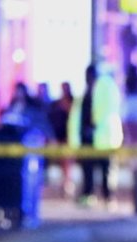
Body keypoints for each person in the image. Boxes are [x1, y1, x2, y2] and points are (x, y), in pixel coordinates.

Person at [67, 64, 123, 207]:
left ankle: (108, 197)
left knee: (106, 170)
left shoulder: (106, 91)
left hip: (104, 139)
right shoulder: (83, 96)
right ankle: (88, 195)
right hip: (87, 140)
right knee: (87, 170)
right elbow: (77, 118)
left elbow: (108, 113)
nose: (88, 79)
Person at [48, 82, 75, 196]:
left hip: (68, 137)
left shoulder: (72, 102)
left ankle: (67, 185)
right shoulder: (57, 103)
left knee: (67, 162)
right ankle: (64, 184)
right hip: (59, 136)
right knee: (61, 162)